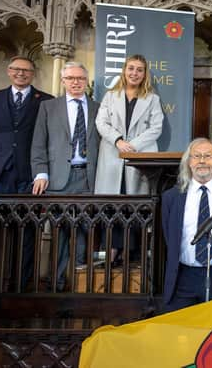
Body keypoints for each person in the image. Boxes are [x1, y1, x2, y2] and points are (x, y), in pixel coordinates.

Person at [31, 62, 100, 289]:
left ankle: (78, 284)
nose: (76, 82)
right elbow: (39, 143)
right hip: (58, 179)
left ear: (86, 81)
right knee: (59, 233)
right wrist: (41, 173)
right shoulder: (49, 107)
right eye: (70, 78)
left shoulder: (98, 107)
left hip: (88, 178)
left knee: (84, 232)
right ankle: (56, 284)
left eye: (80, 78)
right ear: (63, 81)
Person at [0, 56, 53, 289]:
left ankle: (21, 285)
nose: (21, 74)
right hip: (2, 174)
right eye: (16, 69)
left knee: (28, 231)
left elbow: (48, 138)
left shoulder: (45, 101)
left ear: (33, 74)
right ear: (9, 71)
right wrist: (2, 152)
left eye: (26, 70)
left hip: (31, 175)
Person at [161, 138, 212, 312]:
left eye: (208, 156)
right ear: (188, 162)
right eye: (196, 156)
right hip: (182, 277)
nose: (202, 161)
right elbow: (170, 237)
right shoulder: (172, 197)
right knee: (181, 334)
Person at [94, 54, 164, 265]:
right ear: (124, 70)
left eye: (140, 70)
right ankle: (113, 250)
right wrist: (118, 141)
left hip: (138, 158)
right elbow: (101, 122)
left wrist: (132, 145)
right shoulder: (110, 96)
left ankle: (131, 253)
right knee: (114, 206)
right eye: (131, 68)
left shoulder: (152, 99)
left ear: (145, 74)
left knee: (135, 206)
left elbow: (156, 128)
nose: (135, 73)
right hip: (113, 158)